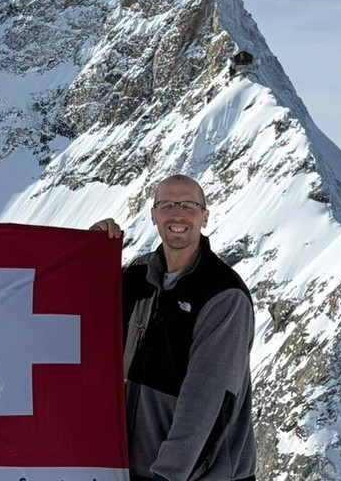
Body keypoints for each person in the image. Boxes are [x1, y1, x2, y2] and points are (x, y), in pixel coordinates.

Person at [92, 175, 255, 481]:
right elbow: (83, 322)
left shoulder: (223, 295)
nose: (177, 214)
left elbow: (206, 395)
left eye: (188, 206)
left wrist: (168, 473)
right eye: (167, 205)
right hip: (137, 470)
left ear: (205, 217)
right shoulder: (136, 277)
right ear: (154, 216)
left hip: (198, 476)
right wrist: (91, 253)